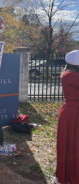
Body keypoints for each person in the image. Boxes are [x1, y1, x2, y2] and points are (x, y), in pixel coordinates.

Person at [56, 50, 79, 184]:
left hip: (71, 112)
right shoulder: (70, 75)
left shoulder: (68, 74)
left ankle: (71, 173)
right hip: (72, 112)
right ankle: (71, 174)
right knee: (72, 144)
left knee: (72, 143)